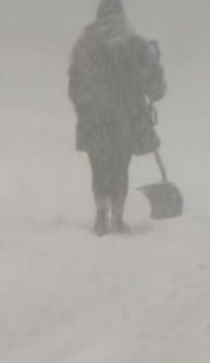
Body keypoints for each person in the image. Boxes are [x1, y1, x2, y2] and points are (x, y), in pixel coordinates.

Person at [68, 0, 166, 235]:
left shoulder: (85, 46)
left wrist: (87, 105)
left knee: (100, 168)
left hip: (95, 121)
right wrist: (153, 71)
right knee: (120, 168)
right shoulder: (135, 45)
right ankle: (117, 217)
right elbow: (154, 87)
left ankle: (102, 216)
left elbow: (75, 88)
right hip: (125, 119)